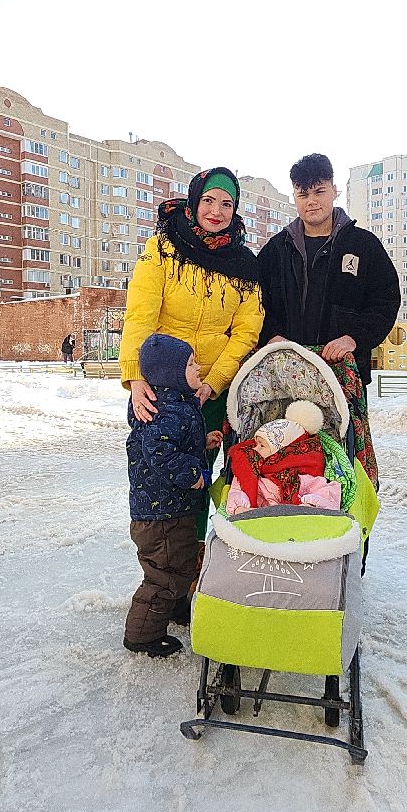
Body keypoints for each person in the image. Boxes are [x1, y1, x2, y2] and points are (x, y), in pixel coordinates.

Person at [119, 166, 264, 550]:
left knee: (212, 474)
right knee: (165, 475)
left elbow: (246, 331)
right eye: (209, 201)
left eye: (227, 204)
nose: (217, 211)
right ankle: (173, 561)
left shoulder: (245, 265)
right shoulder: (163, 249)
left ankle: (214, 555)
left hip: (211, 390)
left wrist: (213, 383)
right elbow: (140, 314)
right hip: (163, 387)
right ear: (194, 201)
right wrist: (136, 376)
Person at [257, 153, 400, 389]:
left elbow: (385, 301)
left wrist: (354, 338)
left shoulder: (363, 245)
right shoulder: (276, 250)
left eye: (319, 191)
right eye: (303, 194)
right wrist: (271, 335)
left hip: (343, 374)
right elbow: (255, 302)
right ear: (295, 197)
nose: (311, 201)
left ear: (334, 190)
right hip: (284, 374)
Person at [124, 333, 222, 658]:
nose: (199, 368)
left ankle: (174, 607)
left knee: (180, 562)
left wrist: (201, 442)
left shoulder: (176, 405)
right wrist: (192, 474)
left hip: (172, 510)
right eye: (191, 364)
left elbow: (174, 442)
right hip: (159, 515)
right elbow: (159, 452)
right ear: (171, 374)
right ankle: (142, 635)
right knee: (163, 575)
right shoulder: (165, 411)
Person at [226, 400, 342, 514]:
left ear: (281, 452)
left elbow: (327, 492)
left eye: (262, 446)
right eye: (256, 444)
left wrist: (311, 505)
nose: (254, 449)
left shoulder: (302, 477)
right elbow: (238, 490)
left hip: (296, 522)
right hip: (261, 521)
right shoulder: (251, 469)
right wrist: (240, 507)